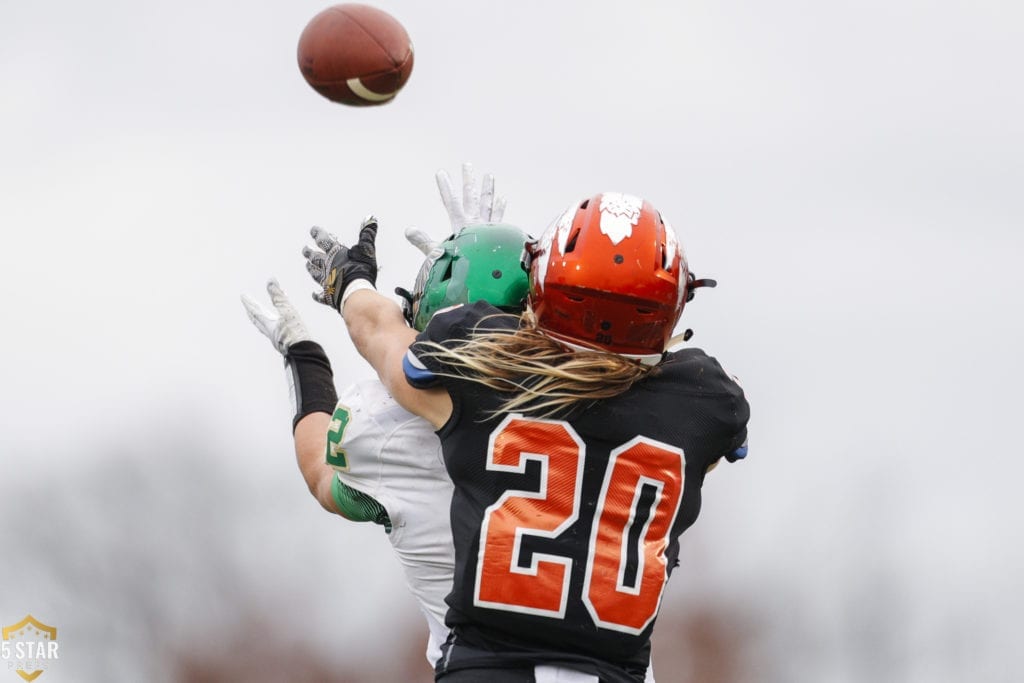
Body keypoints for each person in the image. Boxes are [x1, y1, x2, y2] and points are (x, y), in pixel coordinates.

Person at [304, 191, 749, 683]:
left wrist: (351, 280)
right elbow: (669, 444)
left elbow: (378, 332)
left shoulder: (478, 371)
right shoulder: (704, 404)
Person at [243, 164, 530, 667]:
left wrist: (304, 357)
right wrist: (499, 266)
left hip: (479, 670)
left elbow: (320, 473)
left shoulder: (389, 432)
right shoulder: (619, 407)